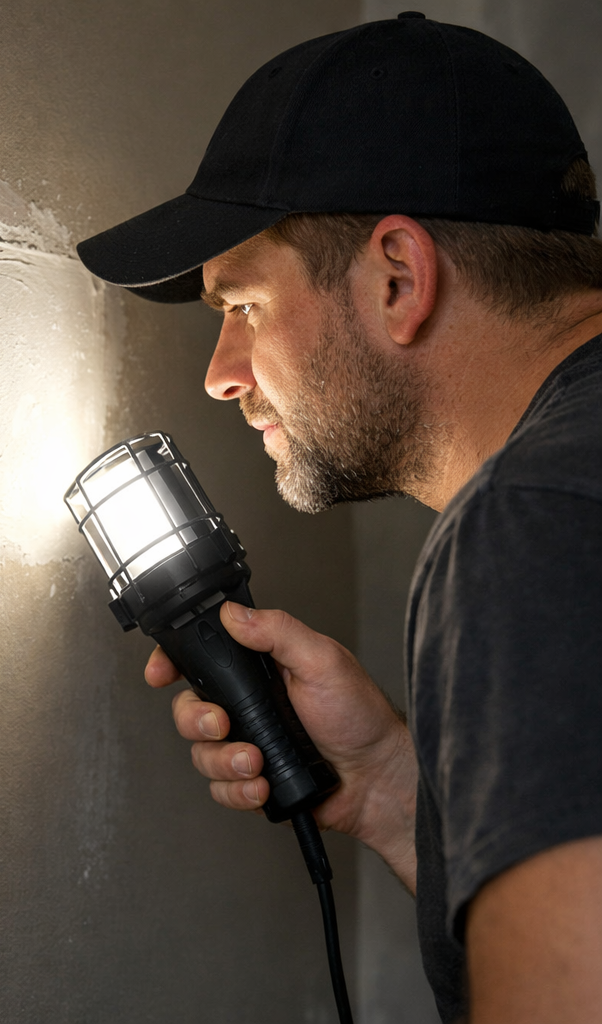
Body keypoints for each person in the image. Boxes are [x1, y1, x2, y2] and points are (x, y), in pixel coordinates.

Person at [76, 13, 602, 1023]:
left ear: (397, 276)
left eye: (245, 306)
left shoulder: (530, 527)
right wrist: (398, 794)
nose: (221, 376)